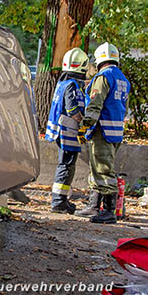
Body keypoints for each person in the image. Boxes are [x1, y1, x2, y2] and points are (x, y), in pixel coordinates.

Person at [75, 42, 130, 223]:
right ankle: (93, 205)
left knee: (103, 170)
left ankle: (108, 211)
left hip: (102, 130)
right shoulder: (122, 79)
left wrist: (84, 126)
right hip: (115, 131)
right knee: (98, 168)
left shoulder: (103, 77)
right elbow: (124, 107)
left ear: (99, 60)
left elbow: (95, 105)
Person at [44, 48, 89, 214]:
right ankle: (59, 201)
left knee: (65, 164)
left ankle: (60, 200)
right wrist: (85, 123)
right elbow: (72, 110)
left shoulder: (62, 82)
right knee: (67, 166)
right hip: (67, 131)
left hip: (60, 130)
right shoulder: (72, 85)